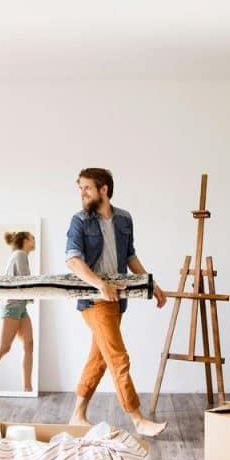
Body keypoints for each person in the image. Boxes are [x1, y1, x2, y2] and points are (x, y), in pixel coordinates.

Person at [65, 168, 169, 437]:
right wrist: (100, 284)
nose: (82, 193)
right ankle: (137, 419)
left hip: (117, 301)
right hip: (94, 300)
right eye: (80, 188)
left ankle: (77, 415)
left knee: (99, 359)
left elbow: (131, 256)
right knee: (118, 358)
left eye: (86, 187)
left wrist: (150, 283)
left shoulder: (124, 219)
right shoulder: (79, 221)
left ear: (104, 190)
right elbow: (73, 260)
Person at [0, 231, 37, 392]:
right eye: (32, 238)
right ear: (24, 240)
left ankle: (27, 389)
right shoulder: (20, 255)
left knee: (29, 345)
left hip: (21, 307)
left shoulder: (20, 255)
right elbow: (26, 281)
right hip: (12, 306)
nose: (34, 240)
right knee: (4, 348)